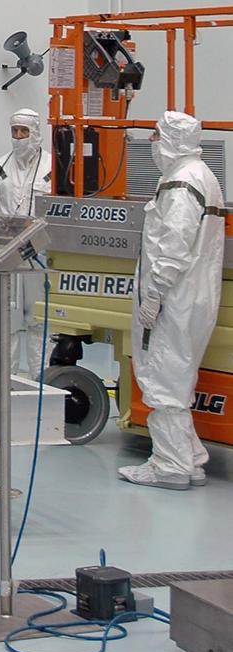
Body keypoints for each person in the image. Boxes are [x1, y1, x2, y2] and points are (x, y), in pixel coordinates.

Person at [119, 111, 224, 490]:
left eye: (156, 135)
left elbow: (173, 245)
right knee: (178, 376)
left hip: (174, 297)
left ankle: (170, 465)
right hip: (195, 296)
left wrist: (155, 294)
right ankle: (190, 457)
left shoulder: (180, 183)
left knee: (162, 377)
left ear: (172, 139)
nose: (151, 143)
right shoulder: (203, 175)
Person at [0, 108, 53, 375]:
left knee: (40, 320)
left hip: (39, 255)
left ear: (35, 133)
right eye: (14, 131)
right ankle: (6, 378)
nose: (18, 137)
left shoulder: (53, 168)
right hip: (6, 254)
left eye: (23, 132)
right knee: (7, 318)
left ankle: (42, 379)